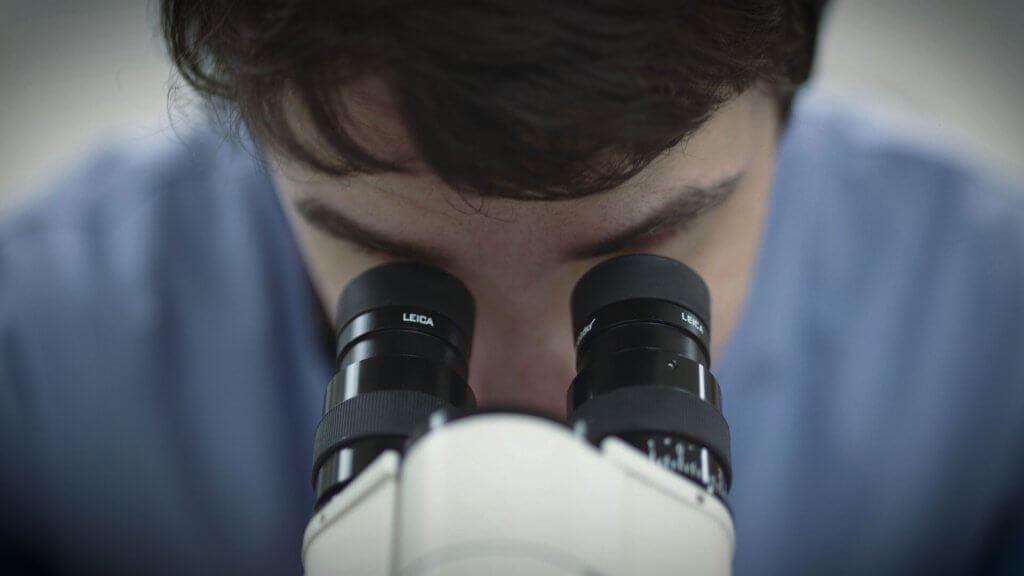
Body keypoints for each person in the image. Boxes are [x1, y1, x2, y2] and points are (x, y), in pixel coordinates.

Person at [1, 1, 1021, 574]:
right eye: (396, 270)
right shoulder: (37, 363)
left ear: (784, 110)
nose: (525, 401)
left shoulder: (992, 336)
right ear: (265, 151)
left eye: (635, 266)